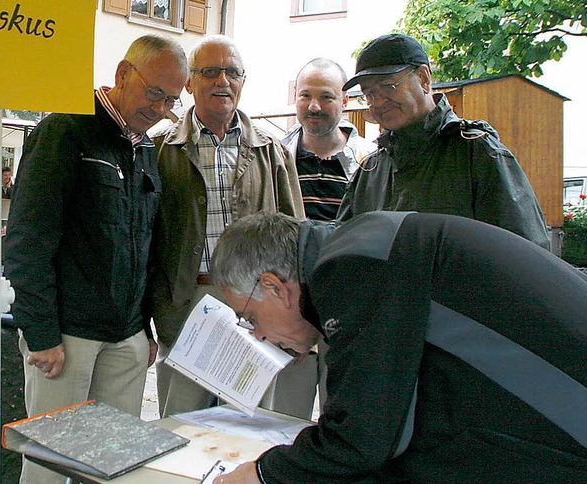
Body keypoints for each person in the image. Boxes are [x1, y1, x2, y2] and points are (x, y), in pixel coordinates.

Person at [209, 211, 587, 483]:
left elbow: (362, 436)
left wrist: (262, 473)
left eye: (250, 318)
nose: (256, 335)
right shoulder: (362, 245)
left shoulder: (350, 268)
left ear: (274, 286)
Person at [4, 35, 189, 484]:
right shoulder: (65, 130)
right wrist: (41, 332)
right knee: (49, 468)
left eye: (172, 100)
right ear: (124, 74)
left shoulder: (146, 147)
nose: (162, 109)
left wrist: (143, 330)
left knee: (116, 468)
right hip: (65, 341)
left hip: (125, 341)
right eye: (155, 94)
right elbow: (28, 241)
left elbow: (144, 246)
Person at [144, 34, 310, 419]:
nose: (223, 80)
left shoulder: (271, 150)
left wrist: (297, 309)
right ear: (189, 82)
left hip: (259, 307)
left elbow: (297, 234)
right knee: (183, 423)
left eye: (232, 72)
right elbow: (145, 242)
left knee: (255, 421)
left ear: (243, 81)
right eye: (210, 71)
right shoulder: (157, 149)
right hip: (188, 306)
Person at [337, 33, 551, 250]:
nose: (379, 102)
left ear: (423, 78)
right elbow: (344, 253)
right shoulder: (370, 171)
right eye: (370, 94)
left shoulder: (476, 153)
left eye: (389, 86)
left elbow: (529, 256)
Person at [282, 57, 372, 222]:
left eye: (326, 97)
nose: (314, 106)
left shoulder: (370, 161)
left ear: (344, 101)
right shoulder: (276, 158)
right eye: (306, 95)